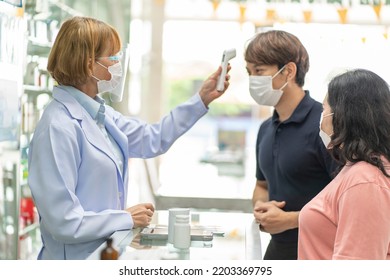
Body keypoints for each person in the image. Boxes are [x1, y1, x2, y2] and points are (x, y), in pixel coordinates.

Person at [27, 16, 231, 260]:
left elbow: (153, 138)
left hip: (104, 253)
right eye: (112, 57)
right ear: (89, 64)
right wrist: (125, 217)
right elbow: (63, 220)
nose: (117, 64)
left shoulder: (98, 114)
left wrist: (201, 100)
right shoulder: (57, 127)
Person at [245, 30, 337, 260]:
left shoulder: (324, 125)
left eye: (259, 71)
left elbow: (347, 199)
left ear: (288, 71)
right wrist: (260, 207)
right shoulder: (266, 128)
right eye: (248, 72)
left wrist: (290, 219)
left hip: (320, 251)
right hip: (277, 250)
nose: (252, 80)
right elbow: (262, 185)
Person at [298, 69, 390, 260]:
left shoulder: (365, 180)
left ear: (344, 115)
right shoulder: (357, 170)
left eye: (324, 110)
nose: (321, 119)